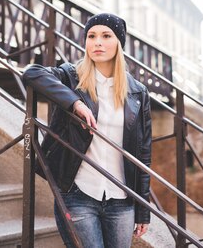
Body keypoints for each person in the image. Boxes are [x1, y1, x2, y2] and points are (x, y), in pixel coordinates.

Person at [23, 13, 152, 248]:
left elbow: (143, 153)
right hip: (78, 193)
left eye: (106, 36)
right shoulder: (71, 76)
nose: (97, 42)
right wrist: (75, 103)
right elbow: (32, 73)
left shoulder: (137, 92)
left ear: (119, 43)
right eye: (91, 36)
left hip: (121, 198)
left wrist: (143, 209)